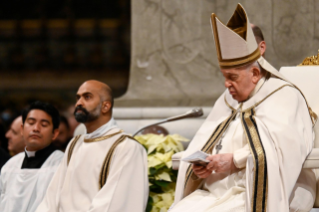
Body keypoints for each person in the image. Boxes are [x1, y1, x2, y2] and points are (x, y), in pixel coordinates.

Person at [170, 4, 316, 212]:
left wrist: (234, 161)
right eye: (224, 76)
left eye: (232, 77)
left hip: (269, 192)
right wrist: (204, 165)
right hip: (220, 192)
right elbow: (207, 142)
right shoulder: (228, 99)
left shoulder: (283, 95)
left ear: (255, 74)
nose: (226, 84)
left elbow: (283, 151)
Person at [36, 80, 149, 212]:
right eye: (78, 98)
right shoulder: (75, 144)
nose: (79, 103)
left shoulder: (126, 147)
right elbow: (53, 196)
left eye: (87, 97)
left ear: (105, 106)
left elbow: (115, 204)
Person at [0, 101, 64, 212]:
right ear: (22, 129)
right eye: (31, 123)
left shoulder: (62, 164)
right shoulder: (10, 165)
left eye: (44, 125)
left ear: (55, 133)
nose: (36, 128)